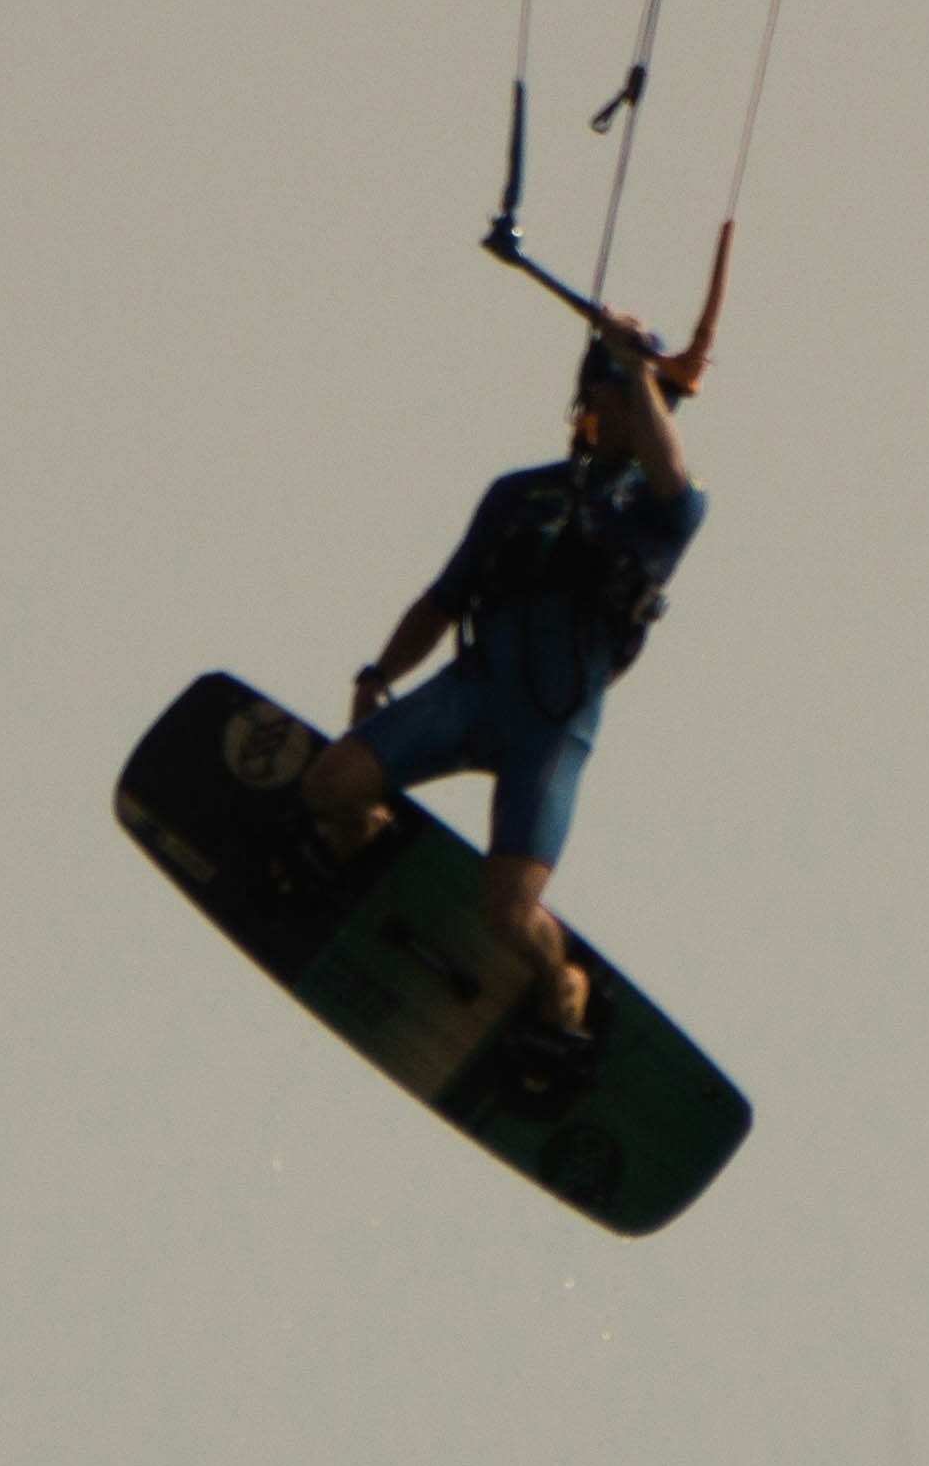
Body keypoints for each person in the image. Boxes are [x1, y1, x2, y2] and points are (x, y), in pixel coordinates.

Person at [300, 308, 706, 1051]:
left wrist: (641, 372)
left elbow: (673, 475)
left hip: (549, 736)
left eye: (642, 406)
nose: (628, 416)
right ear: (589, 405)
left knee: (510, 914)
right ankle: (366, 834)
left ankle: (561, 986)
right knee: (328, 787)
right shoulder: (519, 495)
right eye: (615, 399)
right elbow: (442, 597)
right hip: (470, 694)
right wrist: (379, 672)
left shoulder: (662, 515)